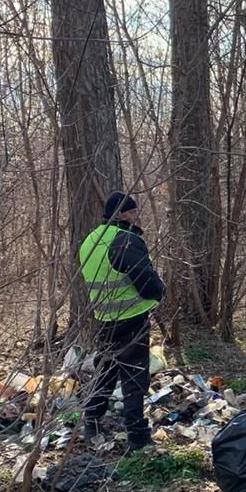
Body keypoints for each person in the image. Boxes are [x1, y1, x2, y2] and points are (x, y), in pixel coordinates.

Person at [79, 191, 165, 452]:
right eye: (134, 212)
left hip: (104, 319)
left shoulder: (91, 240)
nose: (137, 217)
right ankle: (137, 437)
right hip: (131, 319)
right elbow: (146, 282)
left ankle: (91, 421)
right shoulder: (124, 241)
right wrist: (160, 289)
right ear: (124, 214)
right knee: (134, 377)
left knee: (104, 371)